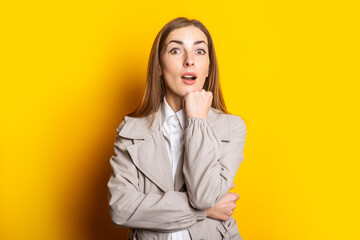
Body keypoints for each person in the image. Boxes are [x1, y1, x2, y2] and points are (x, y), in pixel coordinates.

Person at [107, 17, 247, 240]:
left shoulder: (230, 128)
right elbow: (121, 208)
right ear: (159, 67)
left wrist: (198, 122)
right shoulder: (131, 130)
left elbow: (203, 195)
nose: (189, 60)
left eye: (200, 51)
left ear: (209, 67)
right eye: (175, 50)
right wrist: (205, 211)